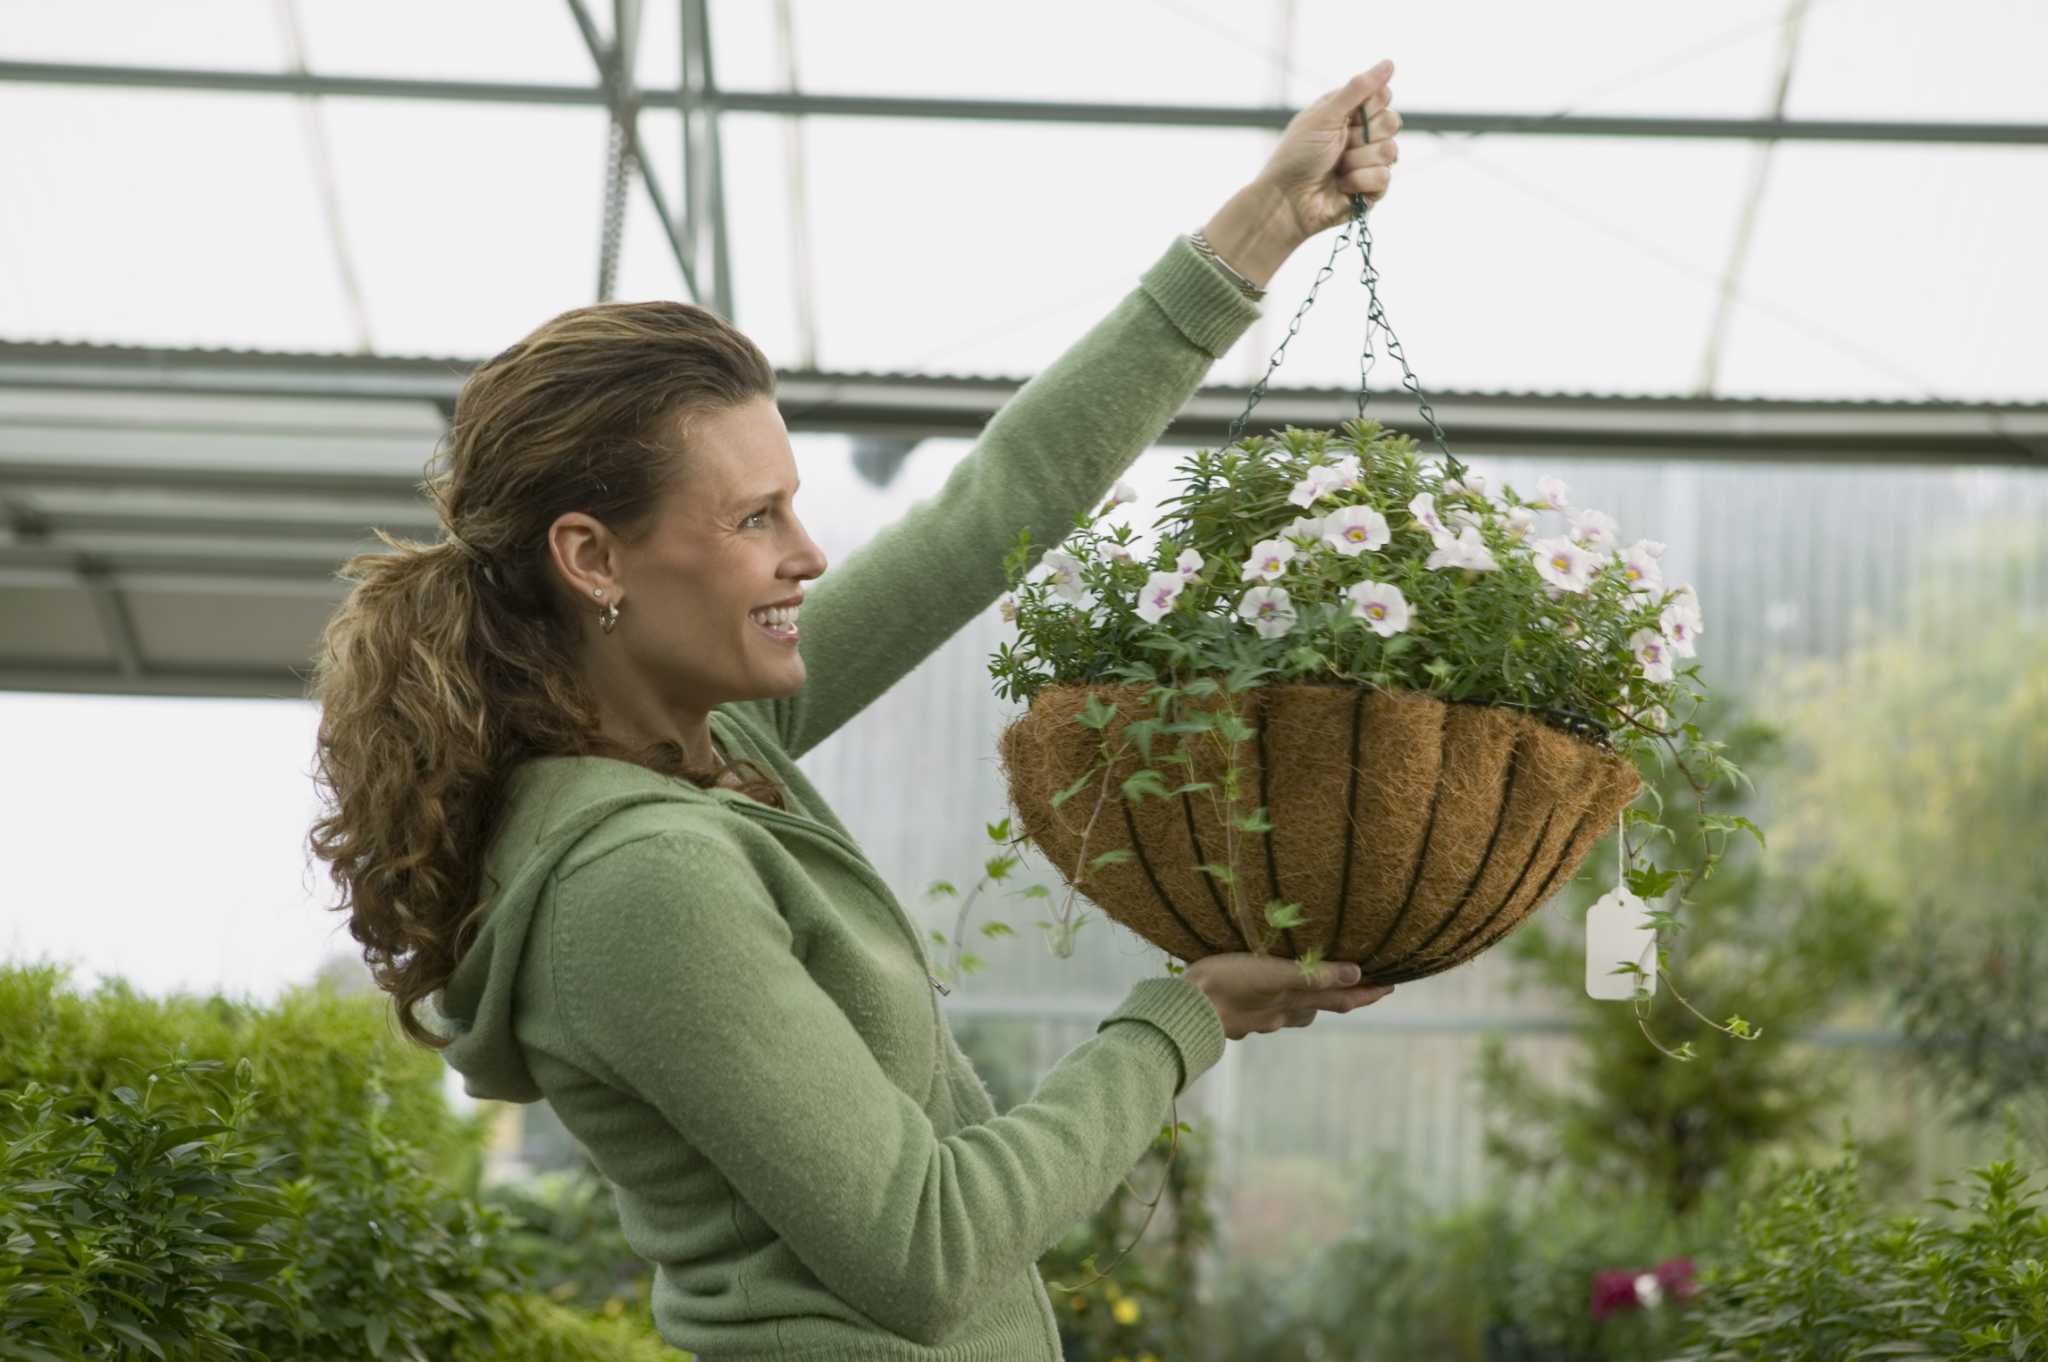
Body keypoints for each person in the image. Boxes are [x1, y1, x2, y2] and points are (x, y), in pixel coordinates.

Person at [310, 60, 1404, 1361]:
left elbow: (995, 506)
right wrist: (1184, 1020)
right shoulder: (640, 878)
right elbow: (926, 1246)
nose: (809, 553)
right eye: (754, 518)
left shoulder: (714, 749)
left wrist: (1267, 222)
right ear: (593, 559)